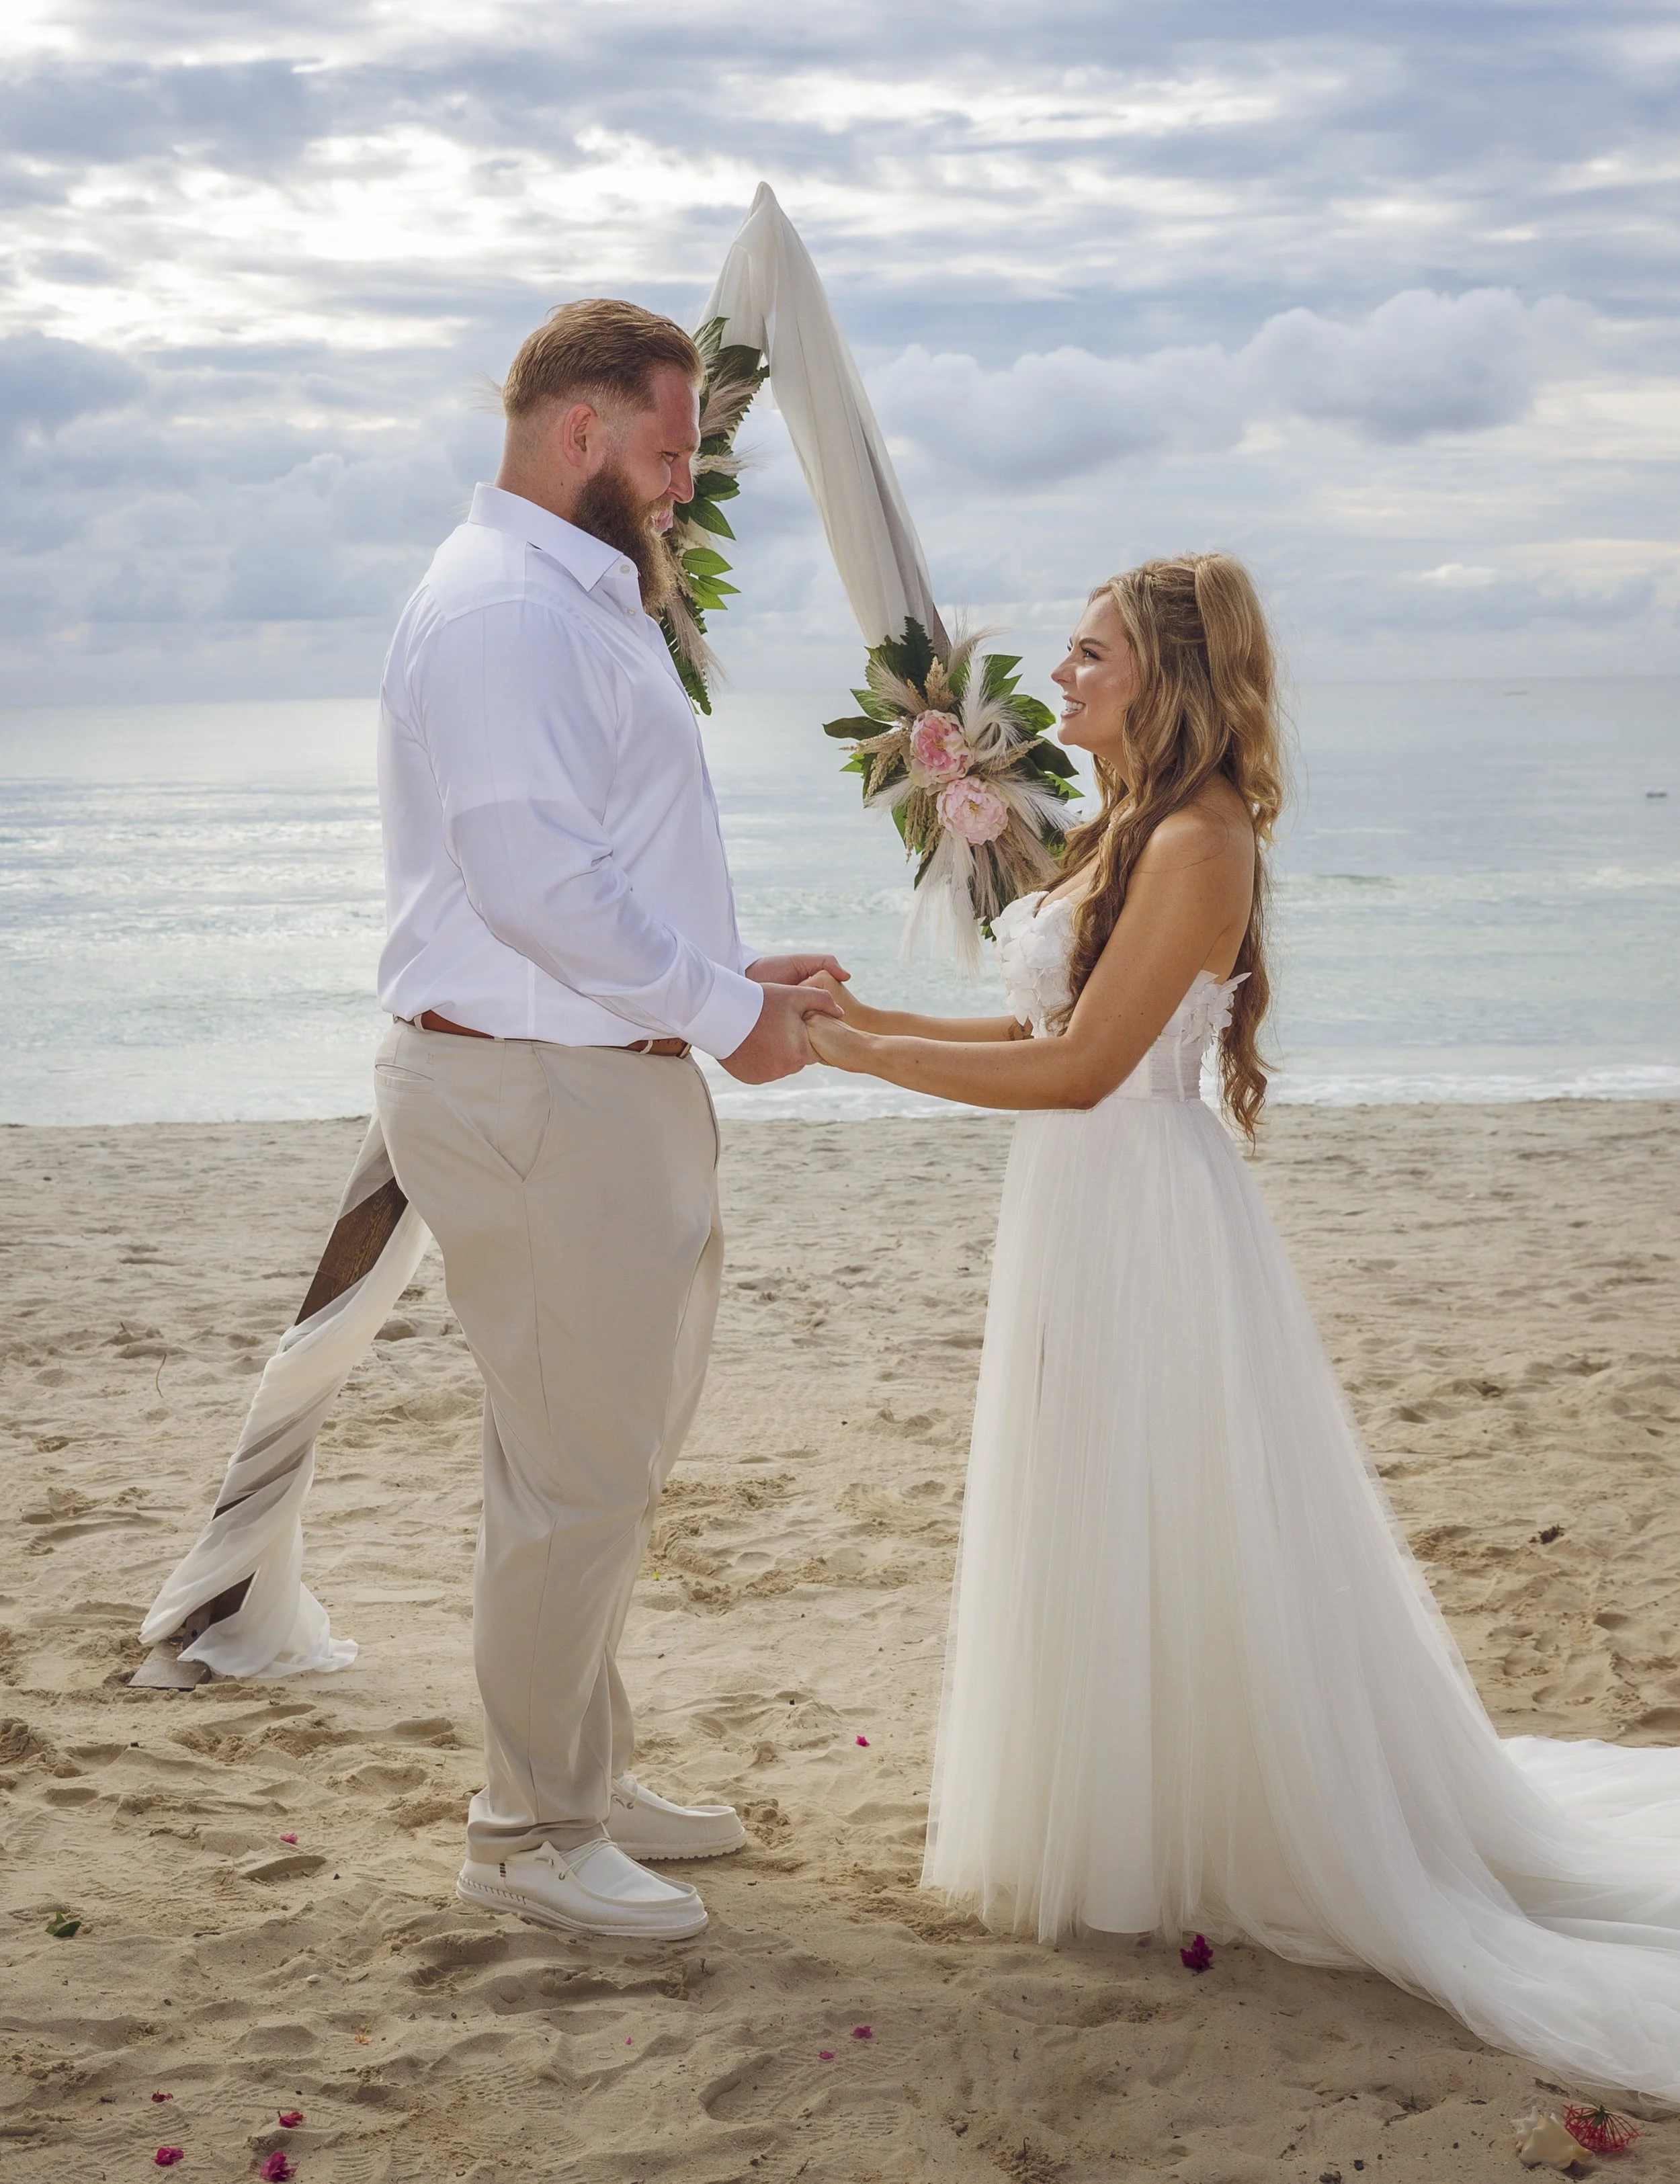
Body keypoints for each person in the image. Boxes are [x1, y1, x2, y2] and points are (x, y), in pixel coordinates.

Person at [803, 554, 1680, 2101]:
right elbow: (1036, 1026)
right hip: (1082, 1204)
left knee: (1170, 1509)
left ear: (1164, 678)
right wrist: (846, 1022)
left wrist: (861, 1064)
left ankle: (1204, 1828)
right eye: (1066, 655)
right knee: (1098, 1508)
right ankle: (1140, 1812)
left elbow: (1083, 1071)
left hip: (1139, 1207)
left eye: (1086, 656)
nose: (1057, 680)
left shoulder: (1199, 841)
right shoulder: (1116, 830)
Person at [374, 298, 843, 1941]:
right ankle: (527, 1830)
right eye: (664, 451)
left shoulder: (567, 596)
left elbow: (593, 863)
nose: (676, 486)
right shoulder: (509, 607)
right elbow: (533, 886)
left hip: (577, 1070)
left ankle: (578, 1765)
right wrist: (726, 1016)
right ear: (580, 430)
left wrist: (720, 966)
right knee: (580, 1471)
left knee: (589, 1457)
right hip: (540, 1087)